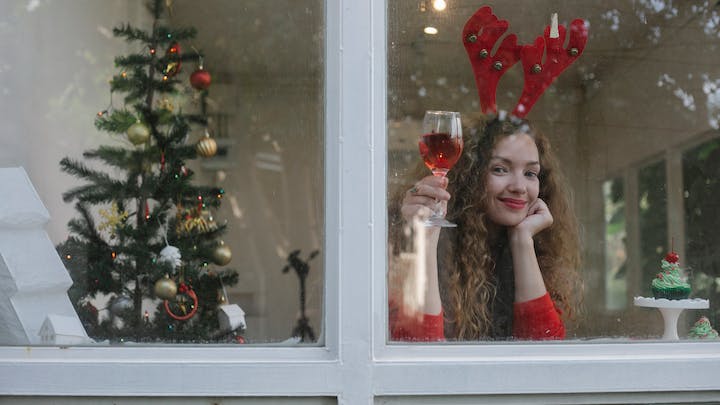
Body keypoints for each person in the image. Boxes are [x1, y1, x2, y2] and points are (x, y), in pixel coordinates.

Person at [388, 115, 581, 341]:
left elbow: (545, 352)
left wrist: (522, 241)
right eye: (500, 169)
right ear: (470, 176)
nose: (519, 187)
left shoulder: (535, 250)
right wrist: (426, 238)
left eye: (530, 173)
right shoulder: (407, 245)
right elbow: (416, 350)